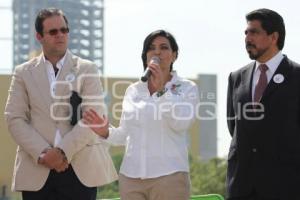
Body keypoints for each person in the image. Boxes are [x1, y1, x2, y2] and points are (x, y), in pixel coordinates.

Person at [4, 8, 117, 200]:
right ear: (39, 36)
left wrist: (63, 152)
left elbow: (93, 117)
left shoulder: (87, 69)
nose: (60, 35)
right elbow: (14, 118)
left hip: (80, 169)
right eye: (53, 31)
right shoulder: (23, 72)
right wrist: (43, 153)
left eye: (64, 30)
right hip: (37, 168)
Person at [83, 29, 199, 200]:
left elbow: (181, 124)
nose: (157, 52)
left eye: (164, 47)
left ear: (174, 55)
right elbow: (124, 134)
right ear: (146, 56)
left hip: (170, 176)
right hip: (131, 177)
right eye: (151, 48)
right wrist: (105, 132)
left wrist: (161, 91)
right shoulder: (134, 90)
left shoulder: (187, 88)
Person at [226, 8, 300, 200]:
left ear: (274, 36)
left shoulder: (297, 76)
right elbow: (233, 125)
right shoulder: (236, 77)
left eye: (254, 32)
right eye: (246, 32)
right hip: (242, 185)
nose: (247, 38)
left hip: (286, 185)